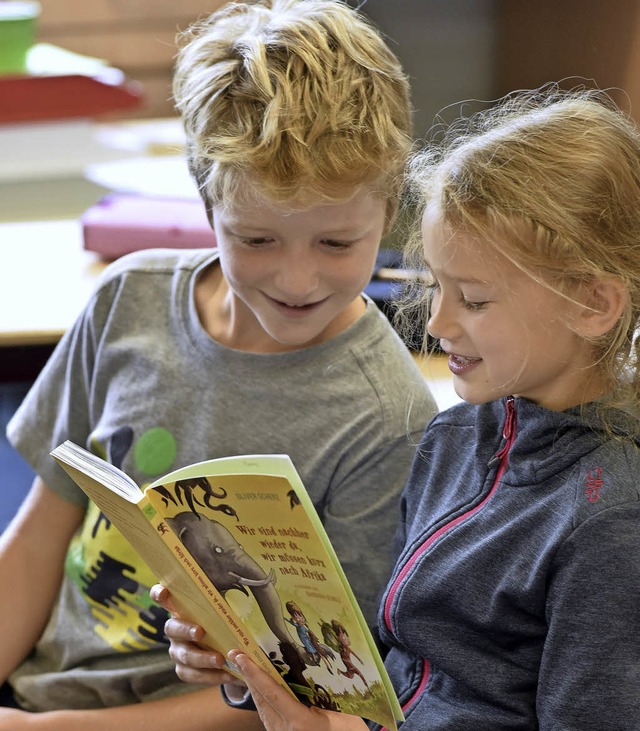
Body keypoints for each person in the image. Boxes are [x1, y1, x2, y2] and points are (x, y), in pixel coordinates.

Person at [0, 1, 438, 729]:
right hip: (40, 692)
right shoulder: (125, 303)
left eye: (335, 245)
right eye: (257, 240)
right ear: (207, 208)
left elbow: (333, 689)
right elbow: (37, 537)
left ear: (387, 211)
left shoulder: (388, 415)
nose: (298, 281)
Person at [185, 84, 640, 729]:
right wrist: (256, 663)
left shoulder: (612, 516)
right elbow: (392, 669)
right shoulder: (453, 439)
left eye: (475, 300)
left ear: (593, 304)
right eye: (434, 286)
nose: (438, 321)